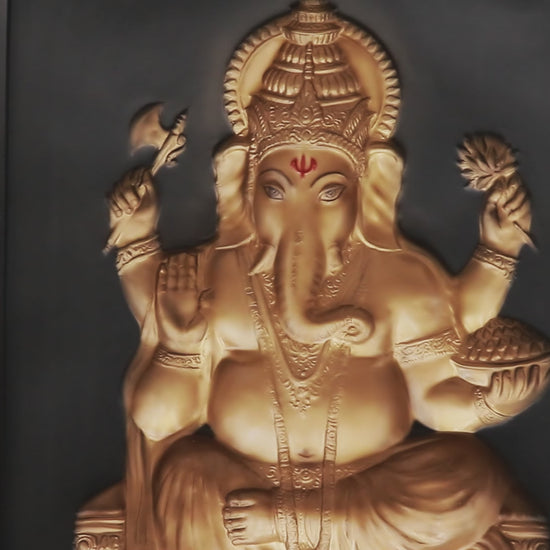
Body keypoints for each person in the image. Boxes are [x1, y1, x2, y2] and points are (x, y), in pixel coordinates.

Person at [89, 2, 549, 549]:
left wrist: (492, 403)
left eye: (330, 192)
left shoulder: (402, 276)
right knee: (188, 474)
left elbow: (437, 400)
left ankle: (302, 522)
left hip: (365, 493)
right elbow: (160, 421)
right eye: (274, 190)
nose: (299, 212)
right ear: (245, 189)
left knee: (468, 472)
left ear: (367, 192)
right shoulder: (214, 273)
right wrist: (180, 344)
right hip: (239, 494)